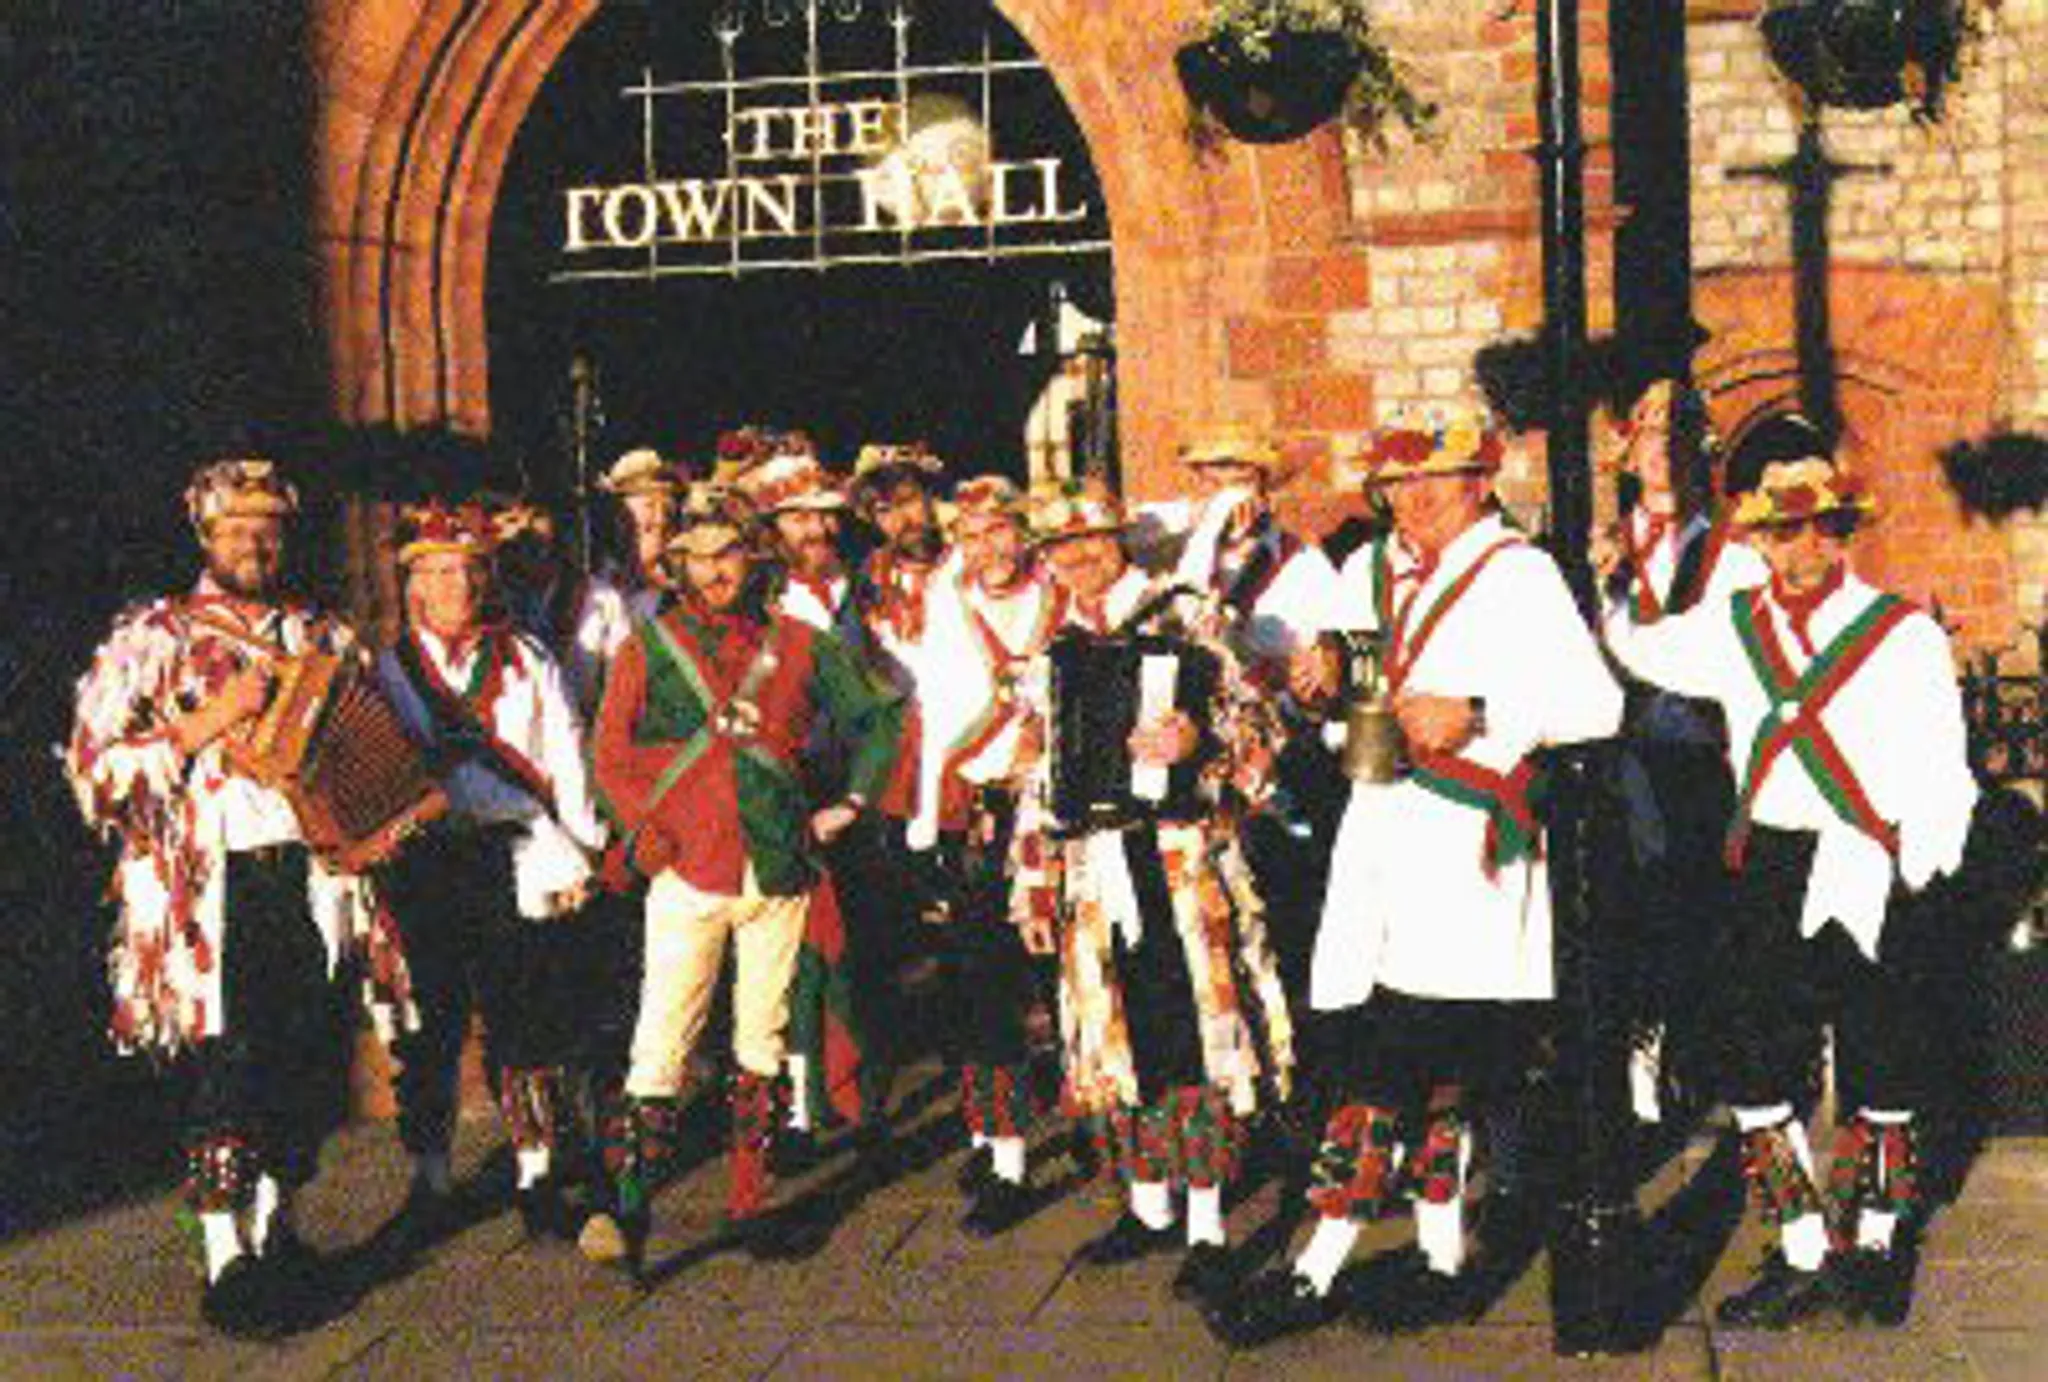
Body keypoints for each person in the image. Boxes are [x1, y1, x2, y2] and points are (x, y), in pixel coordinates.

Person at [1214, 412, 1624, 1344]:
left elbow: (1594, 706)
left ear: (1481, 481)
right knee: (1437, 1067)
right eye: (1399, 484)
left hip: (1467, 854)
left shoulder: (1520, 574)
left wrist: (1475, 711)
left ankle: (1313, 1271)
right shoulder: (1370, 572)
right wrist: (1317, 686)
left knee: (1387, 1063)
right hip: (1378, 839)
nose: (1417, 499)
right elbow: (1359, 711)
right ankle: (1443, 1262)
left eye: (1438, 479)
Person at [1601, 435, 1978, 1328]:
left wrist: (1919, 868)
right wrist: (1613, 572)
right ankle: (1803, 1243)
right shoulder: (1731, 626)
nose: (1802, 551)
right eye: (1783, 534)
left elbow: (1942, 765)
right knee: (1752, 1058)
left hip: (1873, 857)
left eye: (1821, 532)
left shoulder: (1902, 635)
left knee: (1886, 1056)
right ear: (1759, 541)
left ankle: (1880, 1242)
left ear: (1844, 534)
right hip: (1771, 859)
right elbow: (1637, 647)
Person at [65, 457, 414, 1335]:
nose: (254, 544)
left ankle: (275, 1233)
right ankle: (225, 1256)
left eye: (267, 529)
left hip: (313, 879)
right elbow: (94, 775)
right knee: (229, 1064)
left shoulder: (323, 637)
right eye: (235, 530)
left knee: (302, 1059)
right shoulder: (157, 637)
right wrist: (207, 721)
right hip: (212, 891)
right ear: (205, 537)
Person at [582, 483, 902, 1268]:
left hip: (779, 867)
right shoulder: (647, 648)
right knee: (661, 1038)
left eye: (729, 555)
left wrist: (853, 801)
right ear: (678, 569)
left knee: (760, 1038)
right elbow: (609, 754)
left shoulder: (801, 642)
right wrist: (645, 830)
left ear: (753, 561)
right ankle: (627, 1214)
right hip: (688, 867)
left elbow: (878, 715)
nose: (716, 571)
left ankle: (749, 1203)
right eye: (698, 559)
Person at [1009, 476, 1296, 1303]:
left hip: (1179, 858)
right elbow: (1036, 769)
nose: (1077, 557)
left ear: (1120, 539)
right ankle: (1147, 1205)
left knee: (1194, 1026)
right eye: (1060, 547)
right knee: (1111, 1032)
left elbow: (1262, 731)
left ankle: (1206, 1220)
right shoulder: (1053, 640)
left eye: (1090, 538)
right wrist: (1032, 881)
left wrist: (1197, 735)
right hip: (1094, 868)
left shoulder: (1187, 615)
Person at [374, 501, 608, 1240]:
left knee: (524, 1014)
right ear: (414, 586)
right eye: (437, 573)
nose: (454, 586)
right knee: (432, 1019)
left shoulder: (528, 659)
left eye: (467, 570)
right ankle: (431, 1178)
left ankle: (537, 1175)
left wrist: (582, 849)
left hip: (516, 853)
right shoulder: (387, 670)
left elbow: (567, 756)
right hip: (430, 862)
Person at [1590, 379, 1771, 1127]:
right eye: (1648, 432)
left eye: (1678, 434)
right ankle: (1634, 1043)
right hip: (1606, 754)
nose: (1661, 449)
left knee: (1697, 909)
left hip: (1696, 757)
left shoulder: (1736, 555)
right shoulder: (1591, 541)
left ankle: (1691, 1050)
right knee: (1617, 910)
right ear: (1627, 451)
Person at [908, 474, 1069, 1235]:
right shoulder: (946, 609)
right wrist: (929, 821)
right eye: (970, 537)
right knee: (985, 985)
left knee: (1074, 978)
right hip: (984, 816)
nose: (988, 549)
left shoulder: (1064, 595)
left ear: (1024, 533)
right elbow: (936, 715)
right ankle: (1005, 1155)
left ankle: (1118, 1139)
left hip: (1066, 814)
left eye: (1000, 531)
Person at [568, 448, 682, 718]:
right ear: (618, 519)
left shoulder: (680, 595)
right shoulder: (588, 590)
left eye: (667, 507)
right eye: (649, 505)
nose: (660, 517)